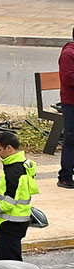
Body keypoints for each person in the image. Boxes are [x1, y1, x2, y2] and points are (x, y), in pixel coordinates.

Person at [0, 126, 38, 269]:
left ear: (9, 148)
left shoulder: (13, 170)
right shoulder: (22, 164)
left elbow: (10, 201)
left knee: (8, 261)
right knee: (3, 256)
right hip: (18, 221)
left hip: (12, 222)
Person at [58, 25, 74, 188]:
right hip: (71, 104)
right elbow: (70, 79)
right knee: (71, 139)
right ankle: (65, 176)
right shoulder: (68, 54)